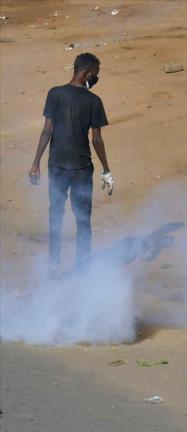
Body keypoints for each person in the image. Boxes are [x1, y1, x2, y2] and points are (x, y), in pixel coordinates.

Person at [29, 52, 113, 277]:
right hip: (81, 170)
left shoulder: (55, 94)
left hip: (56, 166)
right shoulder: (94, 101)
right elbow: (96, 140)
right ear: (86, 73)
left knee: (55, 215)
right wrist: (106, 169)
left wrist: (35, 164)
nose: (95, 79)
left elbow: (47, 131)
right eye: (94, 75)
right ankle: (83, 268)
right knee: (83, 219)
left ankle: (54, 265)